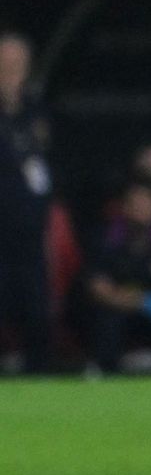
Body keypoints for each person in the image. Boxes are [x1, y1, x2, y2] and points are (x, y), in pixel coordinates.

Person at [85, 177, 151, 374]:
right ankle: (102, 372)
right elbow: (100, 290)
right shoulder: (108, 240)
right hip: (120, 309)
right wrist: (144, 302)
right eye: (135, 203)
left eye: (146, 202)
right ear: (124, 207)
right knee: (107, 321)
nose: (140, 208)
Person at [0, 31, 52, 373]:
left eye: (17, 63)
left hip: (30, 226)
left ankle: (40, 373)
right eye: (5, 63)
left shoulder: (35, 110)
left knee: (36, 305)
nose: (11, 69)